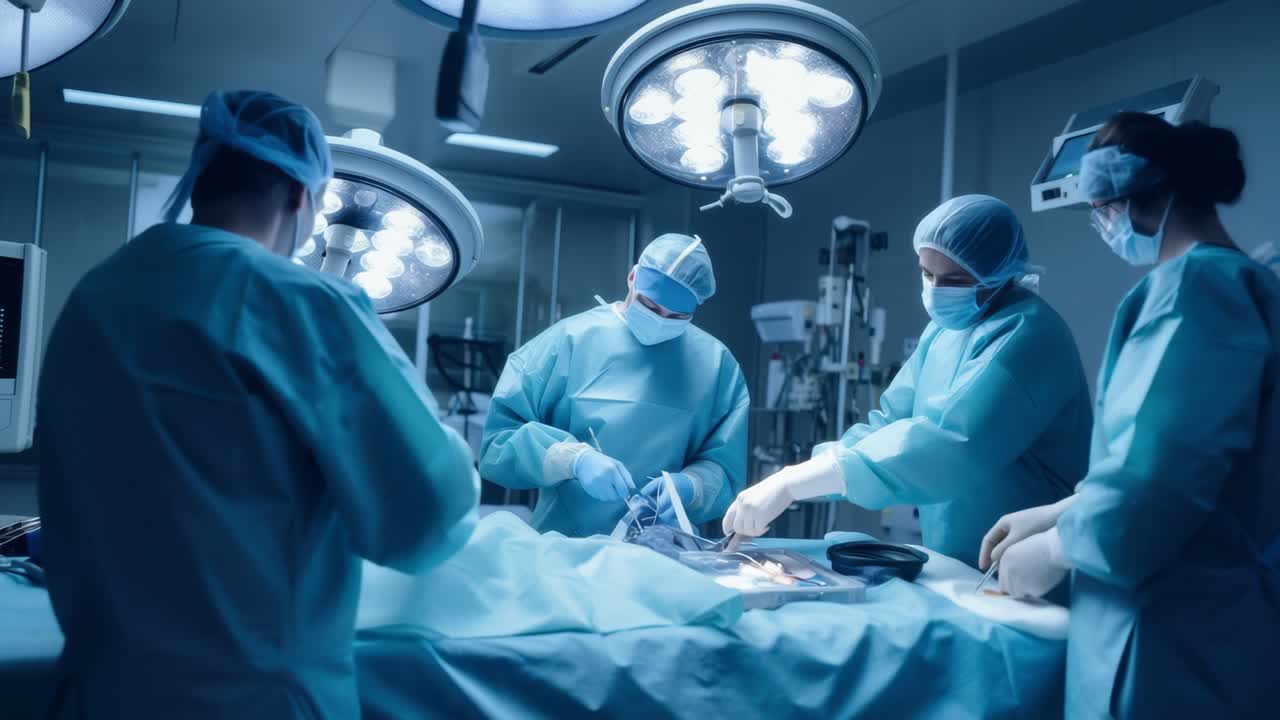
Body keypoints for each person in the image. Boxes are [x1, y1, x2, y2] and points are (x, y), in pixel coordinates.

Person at [37, 91, 479, 719]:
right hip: (250, 699)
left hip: (102, 690)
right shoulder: (297, 302)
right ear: (303, 198)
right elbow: (423, 520)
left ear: (203, 176)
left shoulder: (98, 294)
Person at [979, 113, 1280, 718]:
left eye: (1102, 208)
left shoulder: (1195, 290)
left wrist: (1056, 548)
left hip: (1175, 635)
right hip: (1217, 623)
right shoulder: (1249, 285)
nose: (1101, 224)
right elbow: (1176, 456)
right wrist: (1059, 510)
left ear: (1143, 201)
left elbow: (1155, 487)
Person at [723, 195, 1093, 569]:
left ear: (1000, 274)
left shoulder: (1028, 335)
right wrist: (806, 477)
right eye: (927, 274)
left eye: (954, 280)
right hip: (960, 561)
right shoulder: (943, 332)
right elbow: (889, 423)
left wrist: (793, 484)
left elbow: (948, 443)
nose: (935, 289)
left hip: (1031, 564)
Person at [481, 233, 750, 536]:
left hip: (664, 551)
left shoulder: (715, 363)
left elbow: (725, 469)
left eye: (677, 316)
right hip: (565, 547)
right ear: (633, 277)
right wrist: (574, 459)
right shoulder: (567, 341)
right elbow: (499, 442)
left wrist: (690, 487)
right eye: (650, 306)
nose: (661, 320)